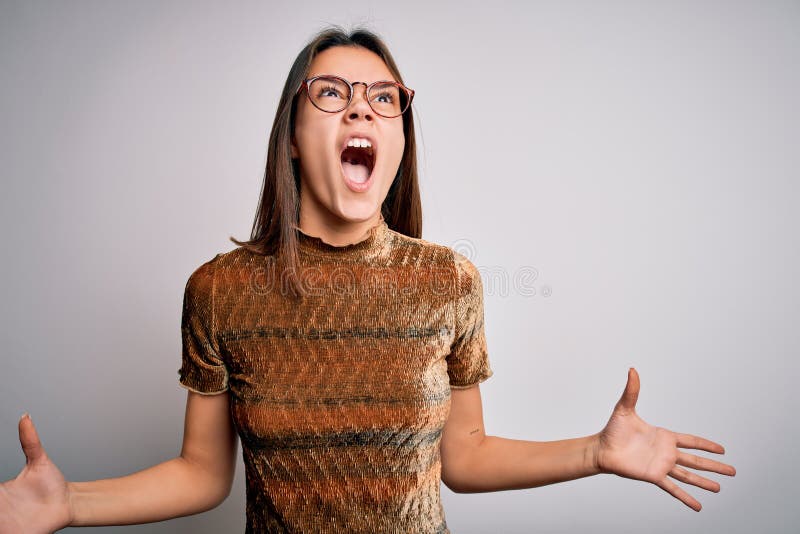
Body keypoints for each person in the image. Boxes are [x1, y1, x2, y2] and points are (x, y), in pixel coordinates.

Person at [1, 26, 736, 534]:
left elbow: (464, 457)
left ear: (399, 135)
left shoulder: (448, 282)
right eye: (332, 93)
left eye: (385, 98)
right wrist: (71, 502)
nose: (362, 106)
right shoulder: (218, 292)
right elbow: (203, 474)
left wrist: (595, 453)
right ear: (291, 136)